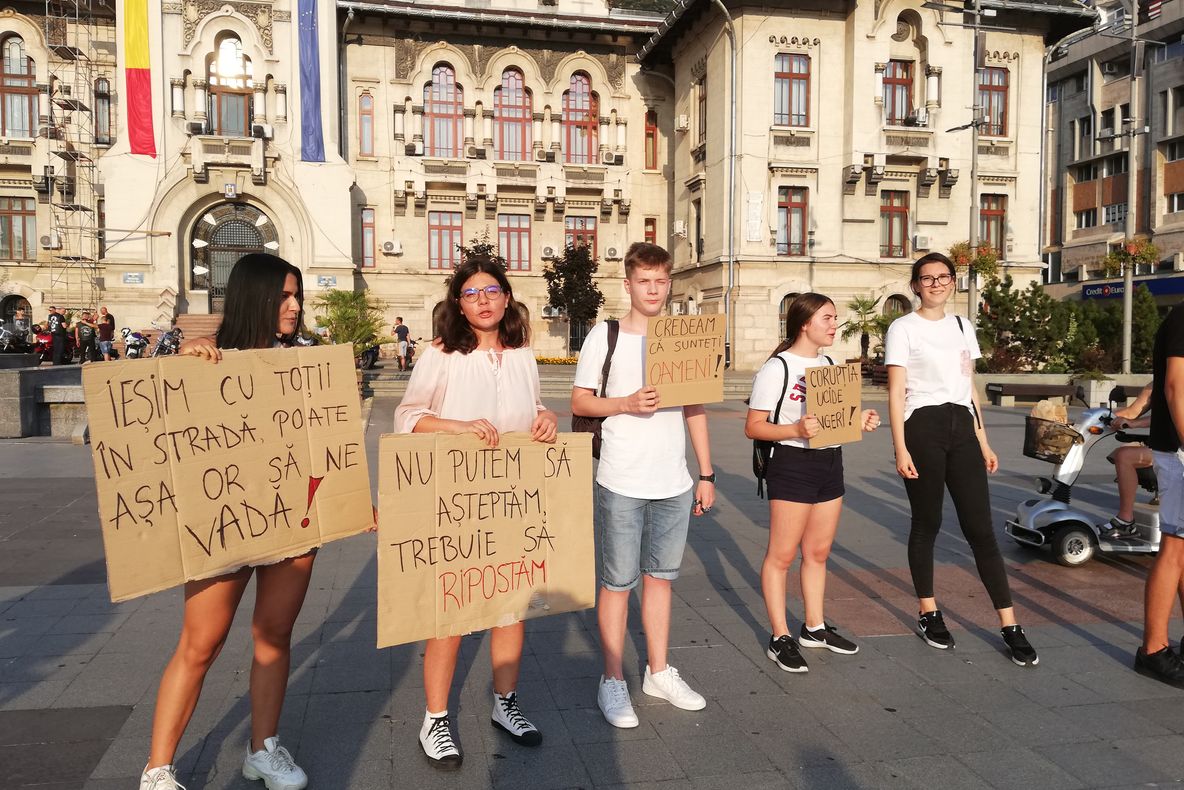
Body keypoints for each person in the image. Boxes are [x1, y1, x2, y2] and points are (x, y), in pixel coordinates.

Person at [139, 253, 312, 790]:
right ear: (253, 297)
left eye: (297, 295)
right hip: (223, 520)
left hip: (294, 522)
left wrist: (354, 503)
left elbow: (328, 448)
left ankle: (263, 750)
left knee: (275, 635)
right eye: (284, 296)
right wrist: (182, 366)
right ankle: (159, 767)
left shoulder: (307, 363)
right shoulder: (205, 360)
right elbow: (150, 427)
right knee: (201, 643)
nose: (295, 306)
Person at [393, 255, 558, 769]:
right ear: (459, 305)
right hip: (456, 503)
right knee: (451, 609)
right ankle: (436, 718)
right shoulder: (441, 354)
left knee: (512, 602)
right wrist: (457, 427)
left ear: (507, 298)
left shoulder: (522, 352)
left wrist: (546, 416)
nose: (483, 300)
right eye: (471, 293)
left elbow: (530, 409)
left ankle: (505, 704)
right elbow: (408, 416)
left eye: (491, 290)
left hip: (512, 498)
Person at [571, 241, 716, 729]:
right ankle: (612, 680)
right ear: (628, 284)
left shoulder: (684, 335)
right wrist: (626, 403)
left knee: (661, 580)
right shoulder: (604, 336)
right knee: (617, 583)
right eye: (644, 282)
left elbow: (695, 407)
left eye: (660, 281)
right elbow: (582, 402)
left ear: (669, 283)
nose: (653, 289)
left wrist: (707, 473)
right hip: (622, 478)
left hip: (673, 481)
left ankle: (658, 671)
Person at [885, 252, 1038, 667]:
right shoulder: (903, 328)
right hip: (922, 427)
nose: (936, 283)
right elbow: (897, 392)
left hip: (961, 427)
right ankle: (928, 612)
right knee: (927, 522)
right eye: (927, 278)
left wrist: (984, 441)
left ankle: (1009, 624)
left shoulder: (961, 326)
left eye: (943, 277)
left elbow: (969, 388)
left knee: (980, 529)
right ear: (915, 285)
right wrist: (900, 447)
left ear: (953, 282)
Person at [744, 293, 880, 673]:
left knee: (818, 553)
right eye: (827, 318)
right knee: (781, 556)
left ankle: (814, 628)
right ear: (805, 323)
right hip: (791, 462)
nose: (834, 325)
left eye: (835, 318)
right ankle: (779, 636)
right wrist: (794, 428)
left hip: (830, 461)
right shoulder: (778, 368)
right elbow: (753, 426)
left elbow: (836, 420)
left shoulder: (831, 363)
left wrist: (861, 420)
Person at [1136, 302, 1184, 687]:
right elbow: (1174, 385)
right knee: (1174, 548)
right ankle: (1153, 649)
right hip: (1181, 452)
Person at [1104, 382, 1153, 539]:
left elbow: (1171, 417)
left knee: (1125, 456)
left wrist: (1135, 424)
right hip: (1164, 446)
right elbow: (1132, 411)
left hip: (1176, 449)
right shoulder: (1155, 385)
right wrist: (1099, 416)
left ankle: (1126, 521)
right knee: (1121, 453)